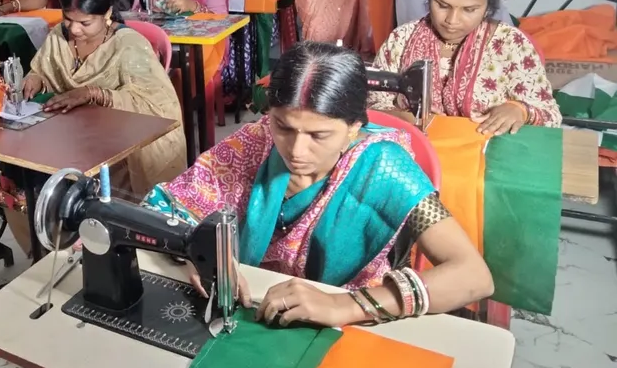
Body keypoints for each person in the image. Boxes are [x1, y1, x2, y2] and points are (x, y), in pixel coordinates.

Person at [144, 42, 494, 328]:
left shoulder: (384, 168)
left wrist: (345, 306)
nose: (296, 150)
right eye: (284, 126)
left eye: (319, 135)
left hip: (350, 321)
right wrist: (197, 254)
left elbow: (473, 276)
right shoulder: (254, 142)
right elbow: (162, 207)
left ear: (354, 127)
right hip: (257, 306)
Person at [0, 0, 185, 254]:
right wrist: (34, 78)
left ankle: (87, 242)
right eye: (68, 19)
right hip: (74, 133)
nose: (74, 30)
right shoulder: (60, 37)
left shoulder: (128, 46)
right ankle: (45, 248)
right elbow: (44, 67)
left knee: (50, 180)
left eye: (85, 23)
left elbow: (160, 106)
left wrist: (95, 94)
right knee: (17, 170)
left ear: (108, 14)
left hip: (118, 146)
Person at [369, 0, 562, 134]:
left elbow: (551, 115)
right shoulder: (401, 39)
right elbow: (373, 102)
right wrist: (396, 117)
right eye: (442, 6)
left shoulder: (511, 44)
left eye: (469, 10)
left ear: (488, 7)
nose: (452, 20)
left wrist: (519, 110)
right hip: (415, 149)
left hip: (486, 156)